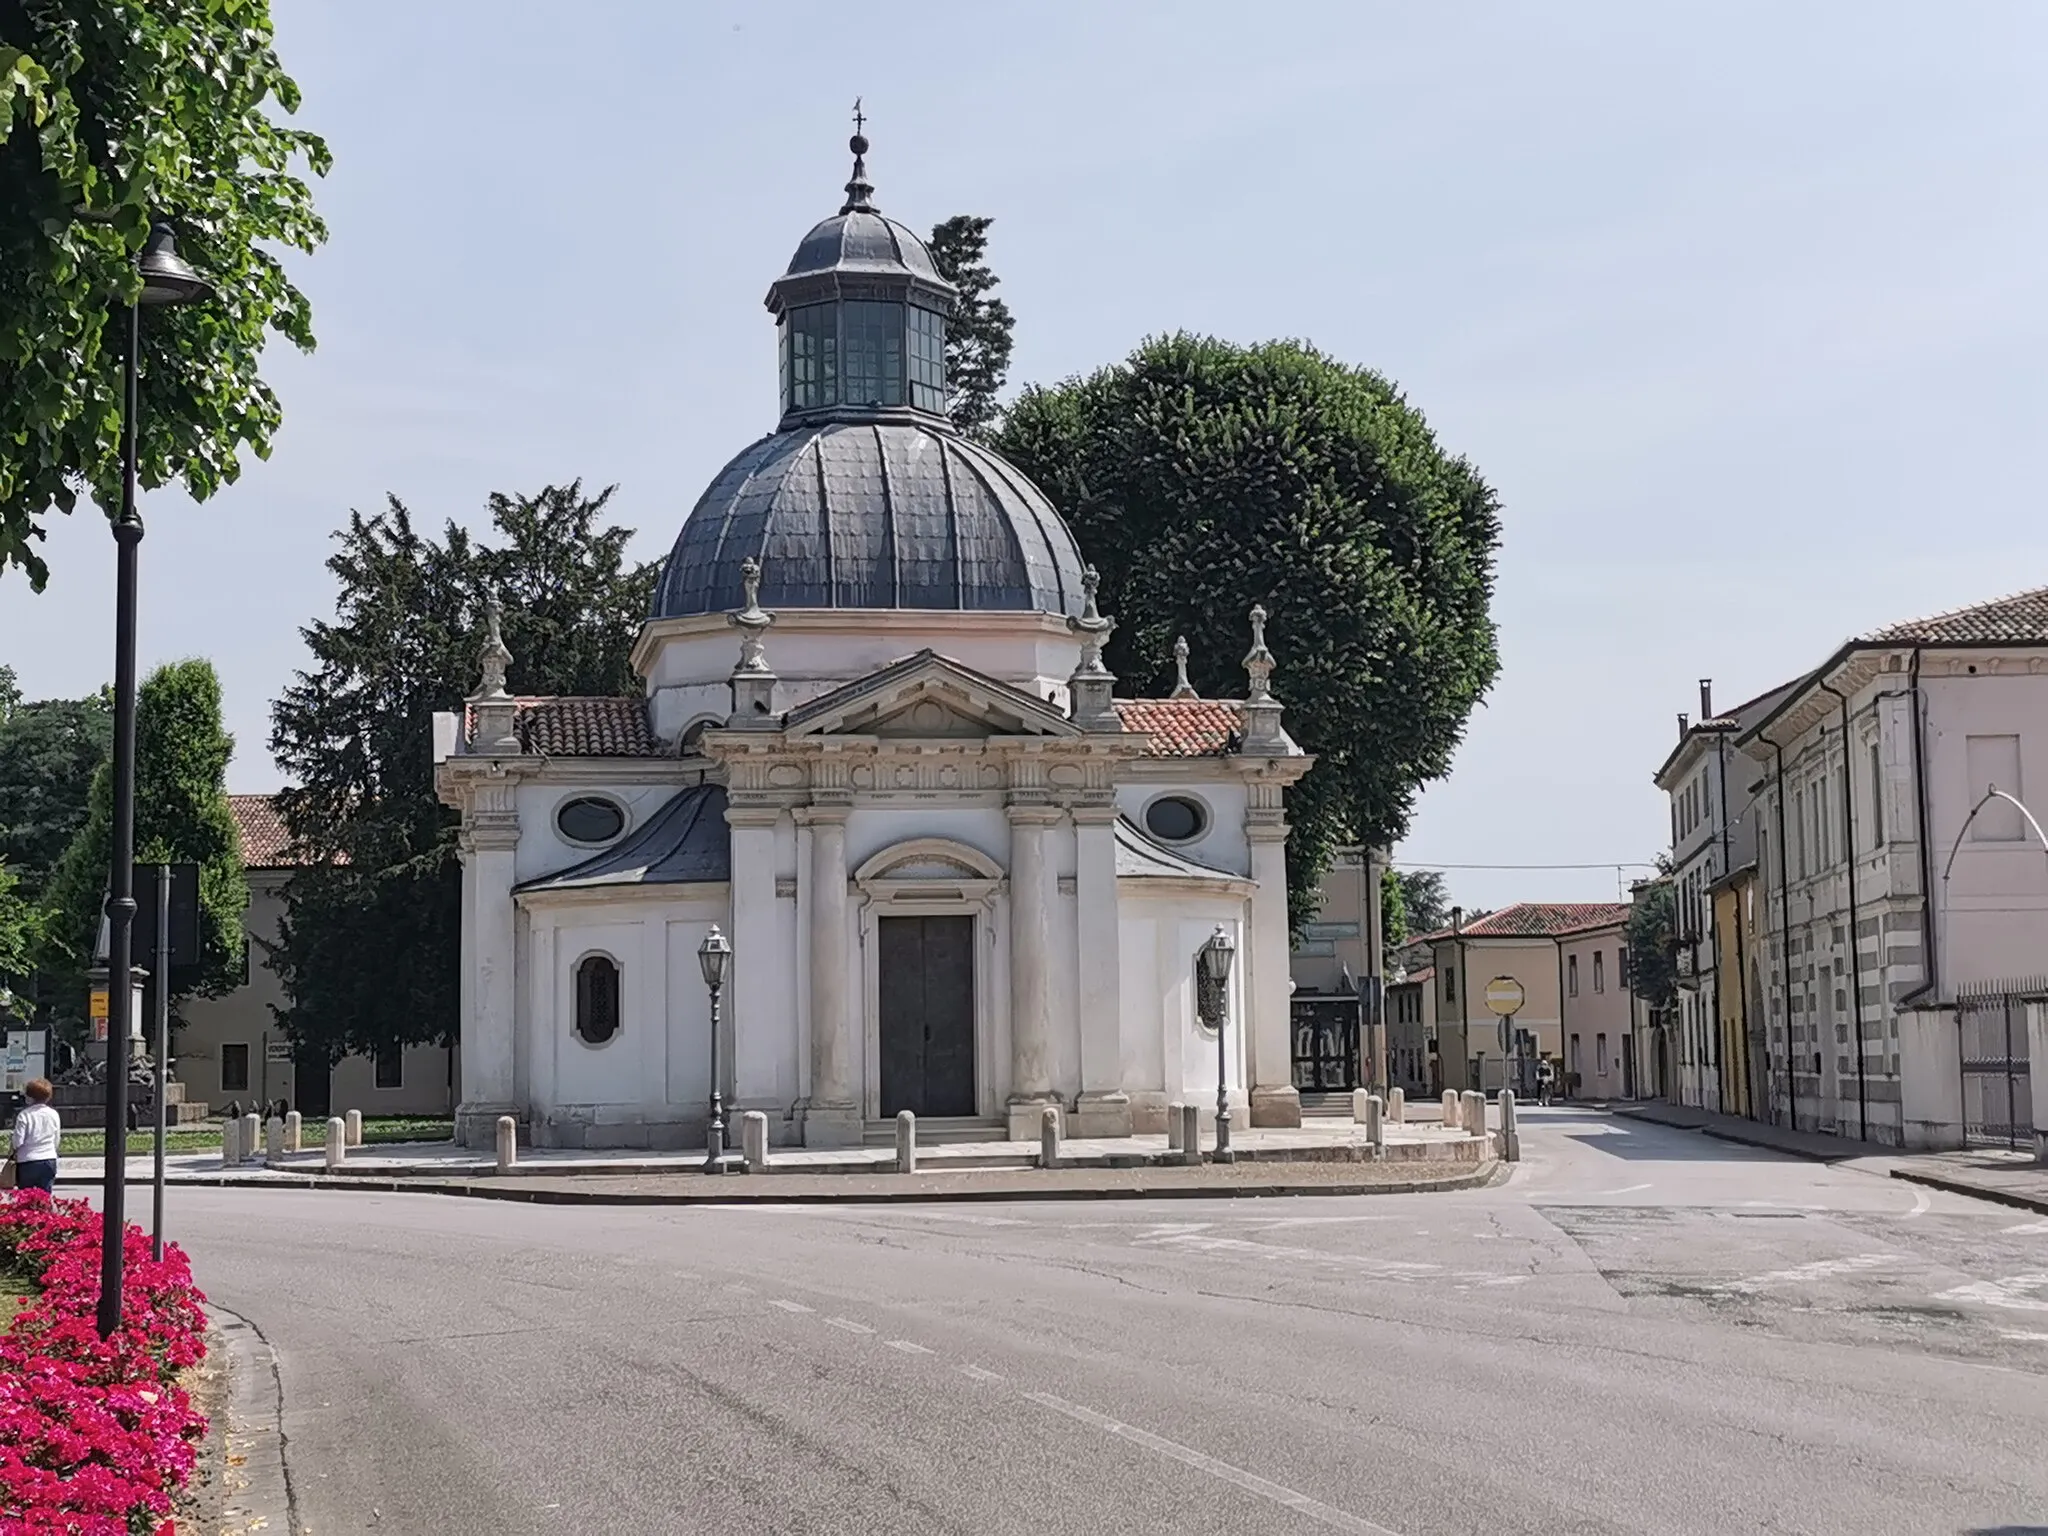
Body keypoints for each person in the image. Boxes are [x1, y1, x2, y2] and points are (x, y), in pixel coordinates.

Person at [7, 1078, 61, 1194]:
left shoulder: (24, 1115)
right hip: (49, 1159)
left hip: (28, 1161)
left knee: (26, 1199)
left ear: (30, 1097)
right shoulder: (53, 1114)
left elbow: (18, 1142)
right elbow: (56, 1139)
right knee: (45, 1198)